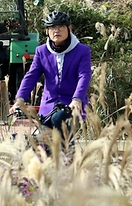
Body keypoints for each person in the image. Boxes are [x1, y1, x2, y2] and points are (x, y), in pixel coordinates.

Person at [10, 10, 92, 138]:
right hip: (48, 107)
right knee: (41, 143)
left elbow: (84, 76)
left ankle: (68, 156)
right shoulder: (41, 51)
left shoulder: (82, 51)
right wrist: (20, 99)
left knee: (59, 123)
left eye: (60, 27)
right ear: (47, 31)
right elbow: (31, 76)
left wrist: (77, 99)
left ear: (69, 29)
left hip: (71, 105)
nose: (56, 31)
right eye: (52, 28)